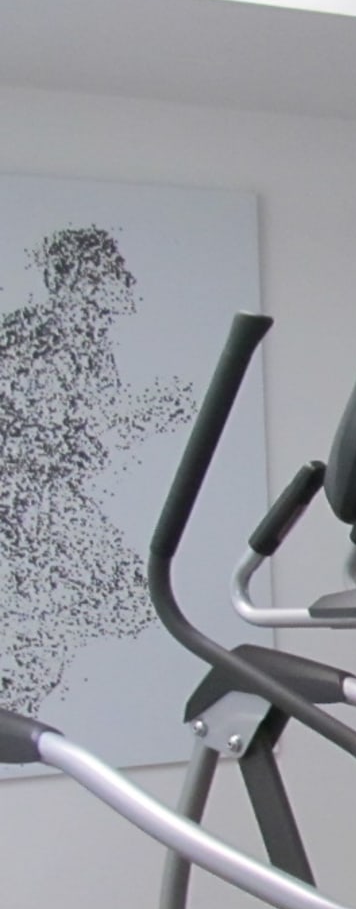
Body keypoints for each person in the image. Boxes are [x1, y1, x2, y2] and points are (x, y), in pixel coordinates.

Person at [0, 226, 191, 713]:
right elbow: (56, 439)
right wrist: (145, 415)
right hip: (24, 504)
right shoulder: (39, 338)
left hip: (46, 500)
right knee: (115, 596)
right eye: (111, 272)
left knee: (119, 600)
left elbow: (84, 439)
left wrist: (138, 419)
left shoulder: (88, 346)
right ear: (79, 280)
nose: (123, 282)